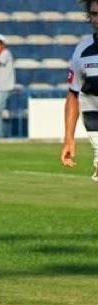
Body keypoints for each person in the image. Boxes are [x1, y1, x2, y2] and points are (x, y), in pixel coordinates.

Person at [61, 0, 98, 181]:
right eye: (95, 14)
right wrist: (69, 138)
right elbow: (73, 94)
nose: (97, 19)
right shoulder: (82, 51)